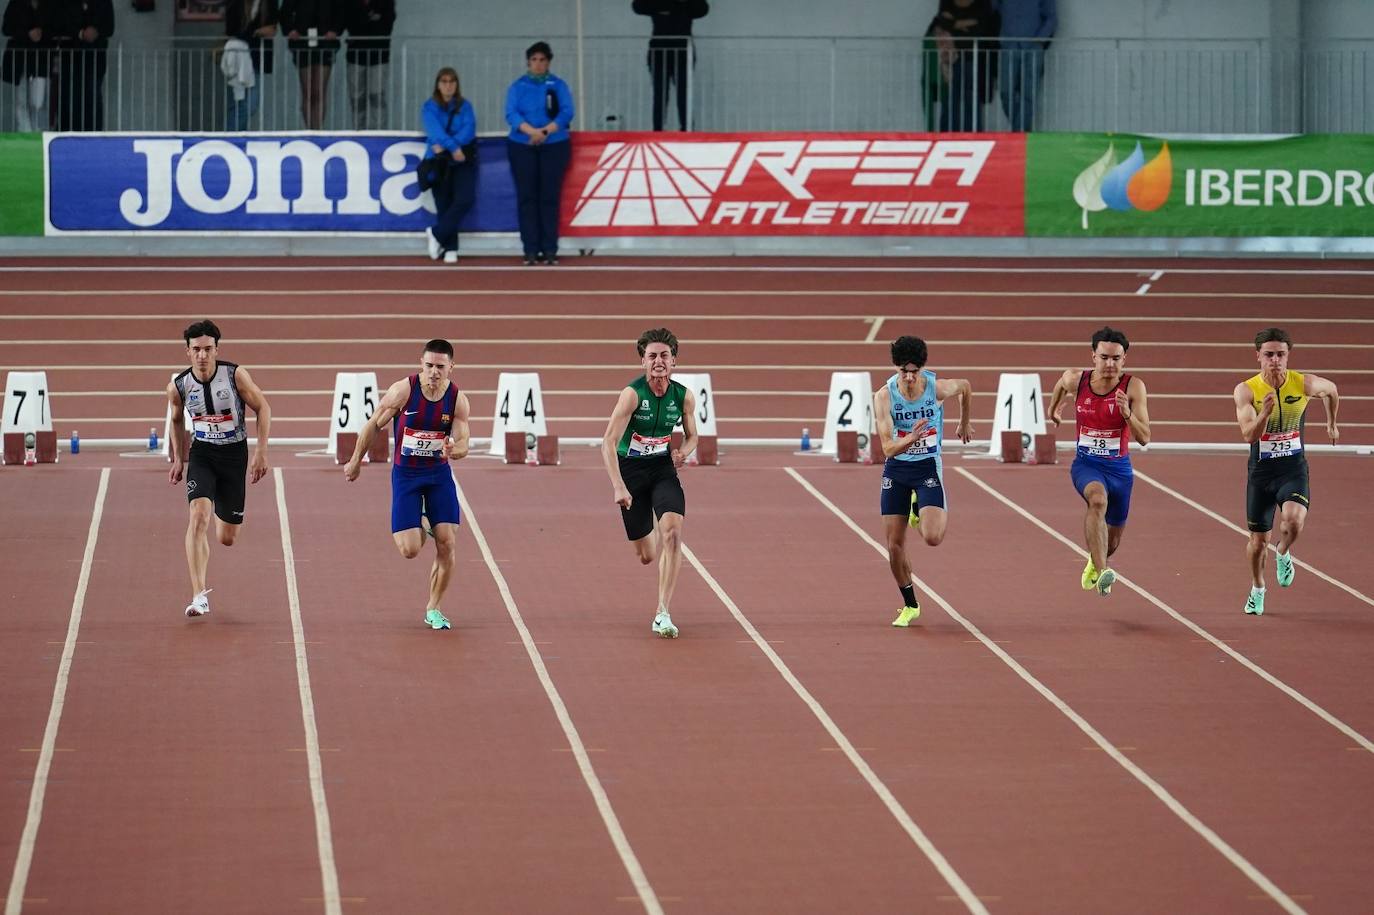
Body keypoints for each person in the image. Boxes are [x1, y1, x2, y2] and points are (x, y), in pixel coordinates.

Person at [344, 339, 471, 631]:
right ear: (421, 364)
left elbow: (464, 442)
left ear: (451, 367)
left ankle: (433, 607)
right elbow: (374, 424)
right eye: (429, 366)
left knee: (448, 544)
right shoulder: (404, 391)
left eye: (440, 366)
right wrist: (355, 461)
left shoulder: (457, 400)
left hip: (438, 475)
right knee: (409, 550)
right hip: (407, 476)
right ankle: (424, 521)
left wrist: (455, 450)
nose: (434, 372)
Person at [166, 320, 272, 619]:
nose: (202, 355)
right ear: (187, 352)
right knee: (197, 517)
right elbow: (175, 420)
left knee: (227, 537)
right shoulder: (178, 386)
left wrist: (261, 451)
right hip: (202, 454)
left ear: (217, 349)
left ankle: (219, 508)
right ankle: (199, 595)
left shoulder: (235, 375)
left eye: (208, 349)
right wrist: (178, 458)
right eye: (196, 349)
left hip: (234, 455)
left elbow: (263, 407)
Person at [1232, 327, 1340, 617]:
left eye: (1281, 354)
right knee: (1257, 543)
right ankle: (1257, 588)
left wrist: (1331, 422)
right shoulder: (1246, 390)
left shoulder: (1303, 384)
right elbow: (1248, 435)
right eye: (1269, 355)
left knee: (1292, 522)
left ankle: (1283, 552)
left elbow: (1331, 390)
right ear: (1258, 357)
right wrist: (1264, 414)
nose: (1275, 360)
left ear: (1288, 356)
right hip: (1261, 475)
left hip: (1293, 469)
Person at [600, 328, 698, 639]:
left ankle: (662, 611)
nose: (658, 361)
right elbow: (608, 442)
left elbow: (694, 436)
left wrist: (684, 451)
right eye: (652, 356)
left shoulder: (683, 396)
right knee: (646, 555)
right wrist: (618, 485)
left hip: (662, 469)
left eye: (664, 356)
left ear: (674, 362)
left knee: (672, 534)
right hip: (631, 472)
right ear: (643, 361)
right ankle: (650, 526)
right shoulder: (632, 394)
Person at [873, 336, 972, 627]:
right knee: (894, 546)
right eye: (904, 371)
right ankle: (910, 604)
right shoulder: (885, 397)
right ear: (896, 368)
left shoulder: (936, 389)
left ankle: (919, 509)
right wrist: (912, 438)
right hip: (897, 470)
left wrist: (964, 421)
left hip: (928, 467)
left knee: (932, 538)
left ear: (922, 369)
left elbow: (965, 386)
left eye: (914, 371)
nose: (909, 377)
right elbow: (888, 448)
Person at [1048, 326, 1152, 598]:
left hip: (1120, 471)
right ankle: (1105, 570)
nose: (1110, 364)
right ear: (1093, 356)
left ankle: (1096, 562)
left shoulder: (1133, 387)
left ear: (1124, 359)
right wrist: (1053, 409)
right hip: (1087, 465)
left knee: (1113, 540)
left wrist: (1127, 414)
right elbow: (1060, 383)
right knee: (1097, 500)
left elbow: (1145, 438)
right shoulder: (1077, 380)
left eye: (1116, 358)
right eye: (1104, 357)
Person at [505, 41, 574, 266]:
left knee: (549, 197)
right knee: (527, 197)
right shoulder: (517, 86)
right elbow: (511, 114)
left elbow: (566, 113)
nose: (538, 64)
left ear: (549, 62)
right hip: (522, 145)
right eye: (534, 59)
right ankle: (530, 249)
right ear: (528, 62)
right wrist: (530, 132)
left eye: (542, 60)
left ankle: (550, 248)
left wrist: (544, 132)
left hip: (554, 144)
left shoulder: (559, 85)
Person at [421, 66, 477, 266]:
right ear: (438, 84)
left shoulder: (465, 106)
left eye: (452, 81)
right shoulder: (429, 107)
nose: (448, 85)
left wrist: (453, 147)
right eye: (444, 81)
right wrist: (453, 147)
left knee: (464, 198)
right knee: (443, 202)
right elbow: (434, 131)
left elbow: (469, 129)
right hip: (440, 160)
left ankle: (436, 233)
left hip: (462, 158)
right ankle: (450, 247)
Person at [632, 0, 709, 132]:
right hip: (659, 53)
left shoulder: (687, 4)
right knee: (660, 93)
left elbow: (702, 9)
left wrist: (673, 6)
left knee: (683, 93)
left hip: (683, 53)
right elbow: (638, 6)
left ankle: (687, 129)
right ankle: (658, 129)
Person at [933, 0, 998, 132]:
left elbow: (982, 27)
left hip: (974, 57)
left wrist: (955, 24)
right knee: (951, 96)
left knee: (972, 97)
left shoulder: (982, 3)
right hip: (952, 56)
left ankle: (973, 133)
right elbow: (943, 22)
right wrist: (968, 22)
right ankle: (946, 133)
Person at [993, 0, 1055, 131]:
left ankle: (1018, 132)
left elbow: (1051, 17)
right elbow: (990, 7)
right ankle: (1022, 130)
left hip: (1033, 46)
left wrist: (1039, 40)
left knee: (1028, 93)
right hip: (1009, 45)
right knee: (1005, 92)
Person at [50, 0, 112, 131]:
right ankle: (66, 134)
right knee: (68, 96)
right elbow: (57, 22)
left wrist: (96, 30)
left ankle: (93, 135)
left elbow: (109, 26)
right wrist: (80, 33)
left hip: (95, 57)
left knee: (92, 95)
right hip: (70, 57)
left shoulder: (104, 2)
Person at [279, 0, 341, 129]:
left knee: (319, 90)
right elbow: (285, 12)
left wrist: (335, 30)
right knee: (307, 90)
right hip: (302, 41)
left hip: (325, 42)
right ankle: (309, 130)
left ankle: (318, 129)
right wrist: (290, 30)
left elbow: (341, 10)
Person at [223, 0, 278, 131]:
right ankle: (233, 136)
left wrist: (258, 32)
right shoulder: (237, 4)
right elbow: (231, 29)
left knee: (251, 103)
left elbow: (272, 28)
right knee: (238, 101)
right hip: (239, 57)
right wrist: (256, 32)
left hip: (257, 57)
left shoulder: (269, 3)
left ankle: (235, 135)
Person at [2, 0, 55, 132]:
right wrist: (27, 34)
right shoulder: (16, 3)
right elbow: (6, 28)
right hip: (20, 61)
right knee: (21, 101)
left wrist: (41, 33)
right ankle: (24, 135)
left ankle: (39, 133)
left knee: (38, 102)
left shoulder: (50, 5)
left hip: (41, 61)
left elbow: (57, 26)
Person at [342, 0, 393, 129]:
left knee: (377, 95)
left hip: (379, 56)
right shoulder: (350, 3)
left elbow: (386, 27)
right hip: (355, 56)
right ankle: (358, 132)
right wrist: (370, 18)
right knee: (357, 98)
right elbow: (349, 24)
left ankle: (380, 133)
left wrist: (362, 22)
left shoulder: (386, 3)